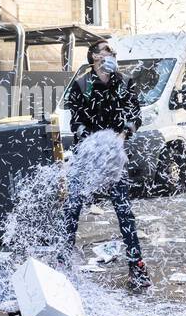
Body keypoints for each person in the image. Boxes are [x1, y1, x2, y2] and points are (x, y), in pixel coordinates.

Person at [60, 40, 151, 291]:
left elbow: (135, 116)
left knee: (123, 210)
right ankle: (63, 262)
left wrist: (122, 136)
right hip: (87, 156)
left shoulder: (124, 82)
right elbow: (75, 122)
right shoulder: (81, 85)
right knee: (73, 207)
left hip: (114, 158)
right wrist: (91, 141)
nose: (111, 55)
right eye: (106, 51)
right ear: (94, 57)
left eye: (113, 52)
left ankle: (136, 266)